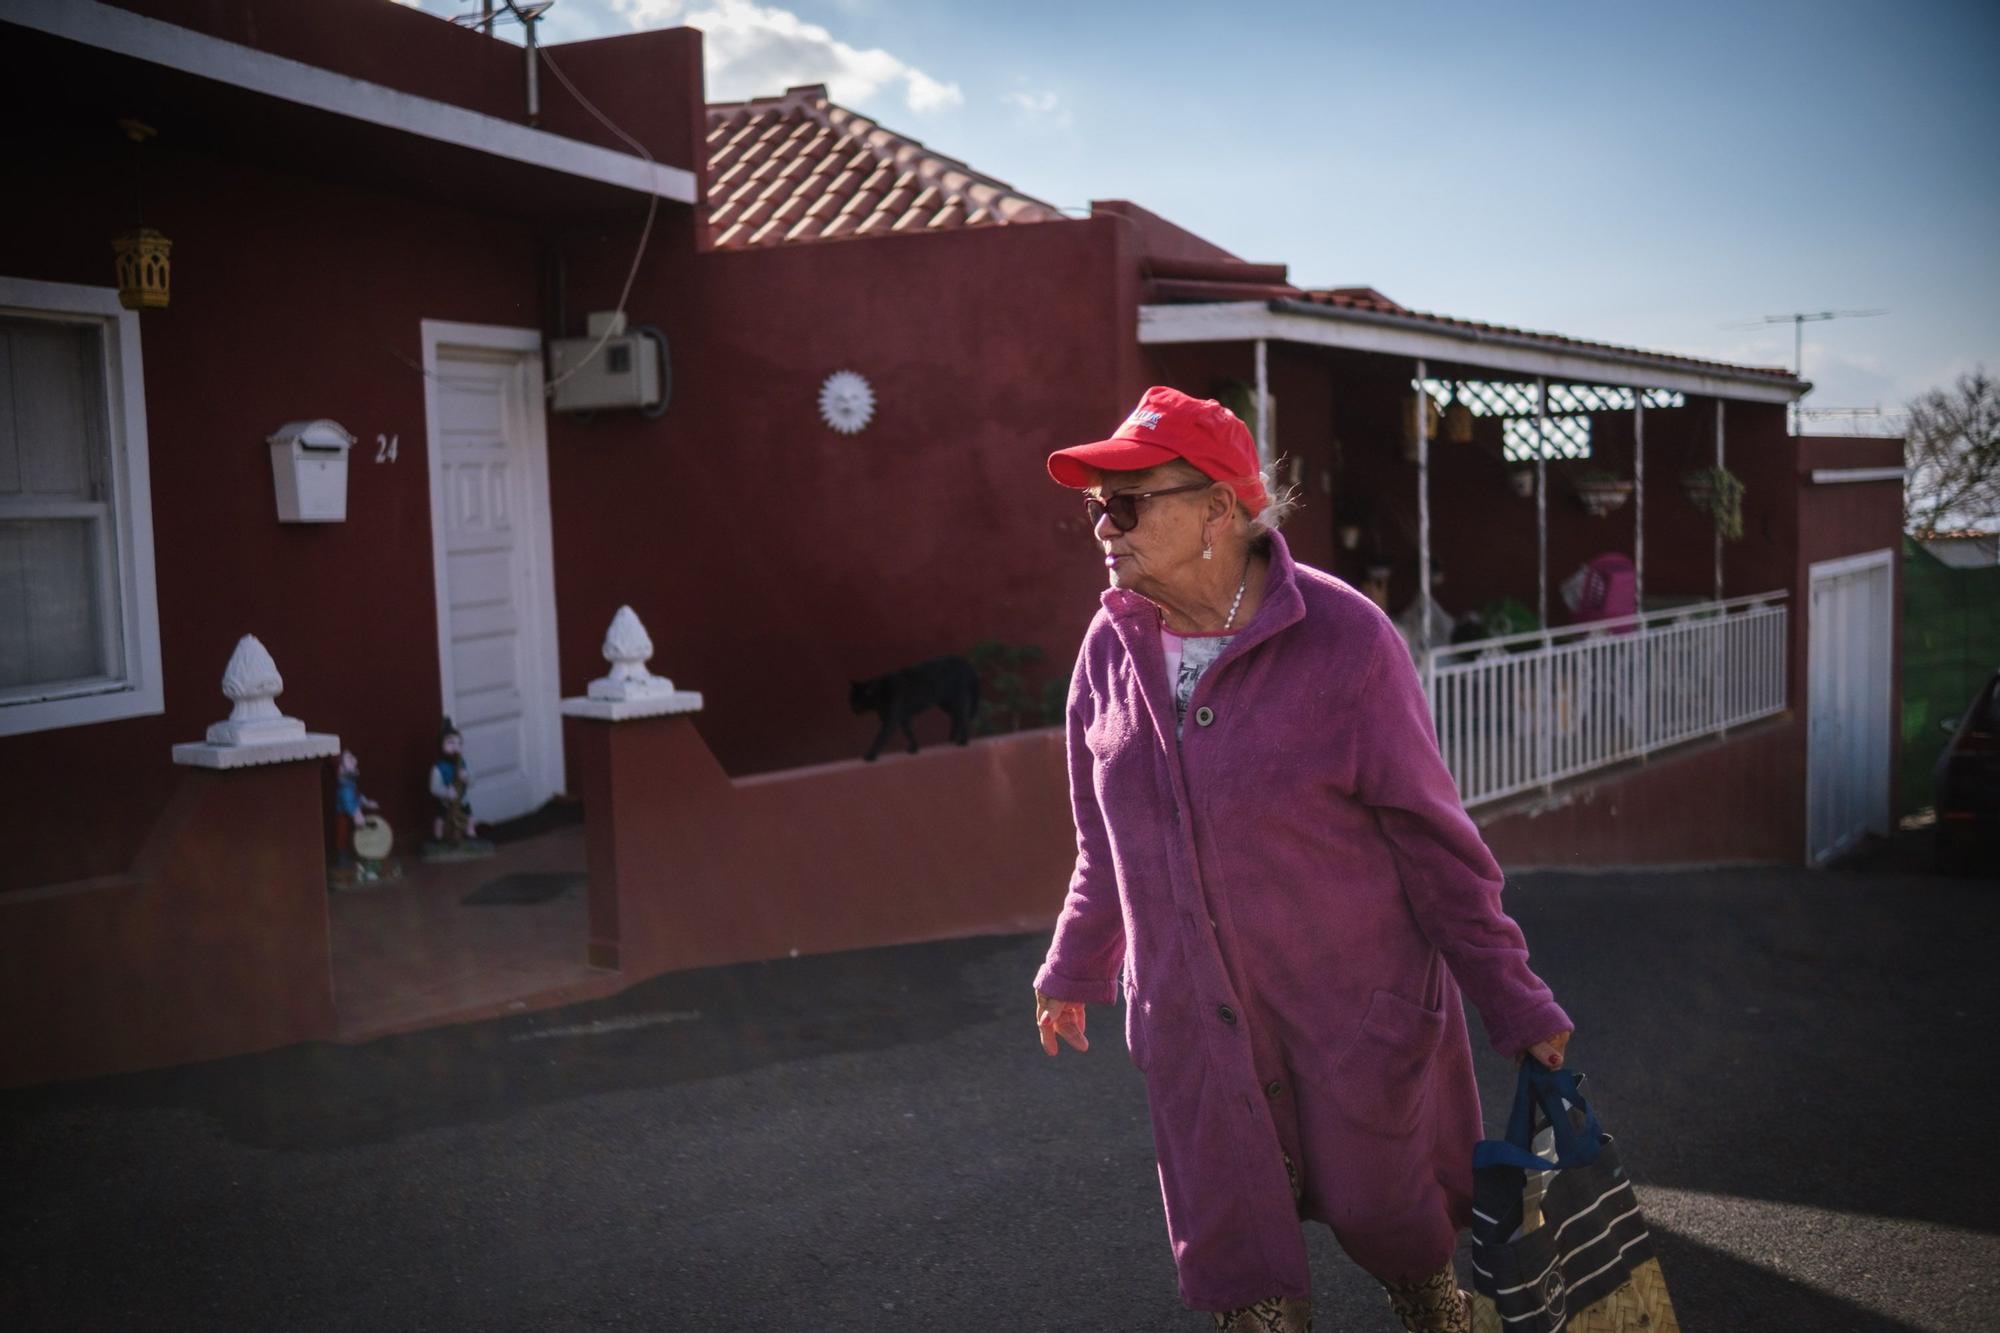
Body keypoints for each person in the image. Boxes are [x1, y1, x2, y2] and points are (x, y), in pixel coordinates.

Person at [1032, 386, 1573, 1333]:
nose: (1102, 527)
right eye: (1095, 506)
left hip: (1352, 1016)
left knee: (1401, 1231)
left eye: (1127, 501)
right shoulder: (1109, 648)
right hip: (1195, 1028)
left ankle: (1435, 1301)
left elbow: (1437, 845)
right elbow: (1101, 839)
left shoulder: (1346, 639)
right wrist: (1074, 965)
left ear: (1219, 509)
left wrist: (1515, 997)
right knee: (1243, 1274)